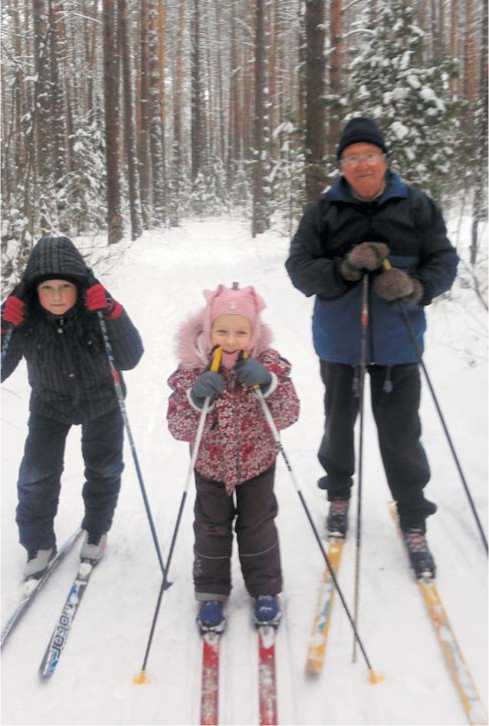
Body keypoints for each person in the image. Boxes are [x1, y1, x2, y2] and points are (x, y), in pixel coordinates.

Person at [285, 117, 458, 579]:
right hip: (340, 340)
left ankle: (413, 515)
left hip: (399, 341)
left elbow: (444, 260)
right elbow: (299, 268)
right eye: (351, 158)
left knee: (401, 434)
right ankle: (338, 495)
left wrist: (416, 287)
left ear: (384, 159)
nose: (361, 165)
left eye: (369, 155)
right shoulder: (323, 211)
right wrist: (342, 270)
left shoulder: (416, 205)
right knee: (339, 424)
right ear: (341, 166)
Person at [1, 235, 144, 579]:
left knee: (104, 469)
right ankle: (38, 543)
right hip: (49, 404)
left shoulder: (96, 310)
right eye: (47, 288)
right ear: (34, 290)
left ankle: (96, 529)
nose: (56, 296)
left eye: (65, 287)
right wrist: (3, 326)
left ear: (78, 285)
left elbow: (130, 357)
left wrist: (113, 313)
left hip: (103, 401)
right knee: (36, 476)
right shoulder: (26, 318)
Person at [166, 283, 299, 631]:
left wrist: (268, 385)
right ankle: (211, 592)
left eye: (241, 332)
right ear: (208, 330)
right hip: (210, 466)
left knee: (258, 526)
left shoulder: (268, 365)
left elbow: (289, 413)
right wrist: (195, 398)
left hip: (257, 464)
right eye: (222, 331)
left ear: (254, 333)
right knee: (211, 528)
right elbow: (178, 427)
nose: (231, 340)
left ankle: (265, 589)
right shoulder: (192, 370)